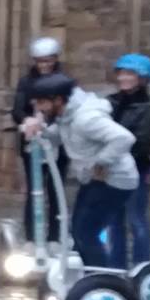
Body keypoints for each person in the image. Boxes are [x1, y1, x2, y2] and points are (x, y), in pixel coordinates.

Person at [20, 72, 138, 269]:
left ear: (58, 99)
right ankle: (93, 275)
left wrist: (100, 162)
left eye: (42, 103)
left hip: (115, 180)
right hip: (95, 179)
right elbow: (62, 135)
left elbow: (124, 138)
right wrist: (40, 130)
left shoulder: (86, 118)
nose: (39, 108)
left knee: (86, 232)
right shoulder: (66, 116)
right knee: (78, 231)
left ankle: (103, 280)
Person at [11, 37, 70, 241]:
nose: (44, 65)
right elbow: (17, 109)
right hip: (33, 143)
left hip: (58, 144)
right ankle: (32, 237)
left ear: (55, 59)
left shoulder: (64, 81)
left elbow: (66, 109)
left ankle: (55, 238)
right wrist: (27, 120)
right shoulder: (26, 82)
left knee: (56, 192)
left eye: (48, 60)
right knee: (34, 192)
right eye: (40, 61)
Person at [108, 53, 150, 267]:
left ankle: (141, 267)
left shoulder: (147, 108)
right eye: (121, 73)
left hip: (136, 170)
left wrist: (114, 153)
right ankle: (116, 267)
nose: (123, 78)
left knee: (136, 220)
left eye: (129, 74)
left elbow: (140, 142)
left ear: (142, 78)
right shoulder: (111, 102)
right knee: (113, 220)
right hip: (111, 170)